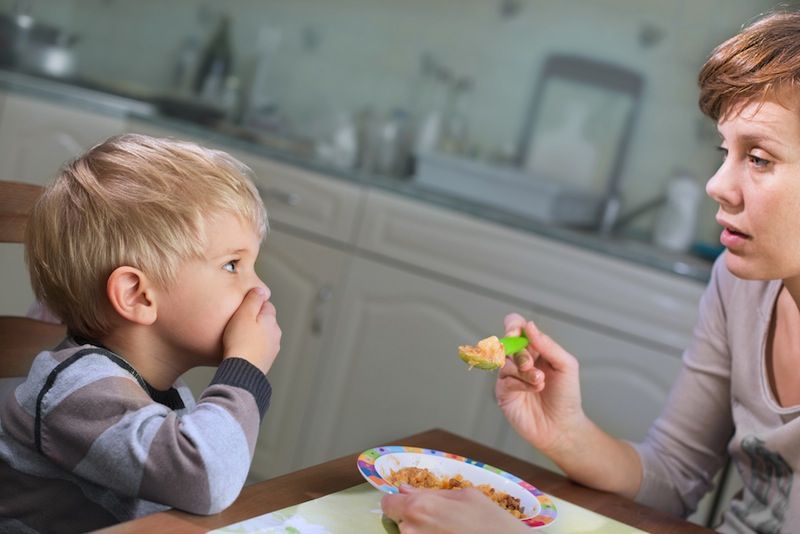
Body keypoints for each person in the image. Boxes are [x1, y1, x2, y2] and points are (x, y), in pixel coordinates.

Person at [382, 9, 800, 533]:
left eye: (758, 158)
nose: (717, 184)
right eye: (725, 152)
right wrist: (567, 434)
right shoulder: (738, 285)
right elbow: (672, 477)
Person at [0, 134, 282, 532]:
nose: (261, 289)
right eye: (233, 265)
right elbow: (207, 480)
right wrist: (245, 367)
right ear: (136, 295)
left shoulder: (158, 388)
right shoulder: (79, 392)